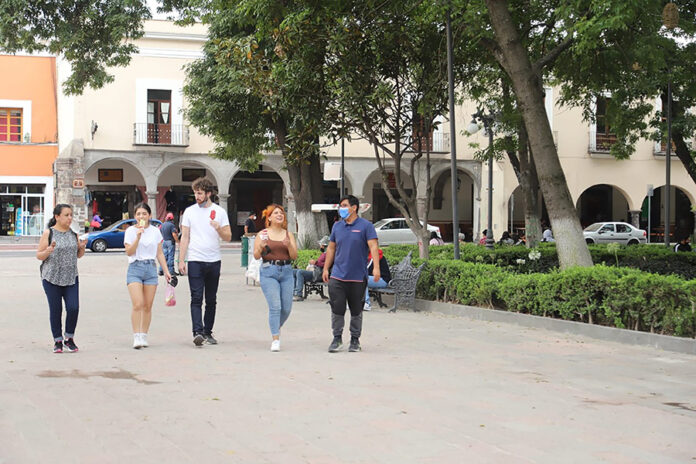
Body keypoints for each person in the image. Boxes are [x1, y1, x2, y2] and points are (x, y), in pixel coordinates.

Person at [322, 194, 380, 353]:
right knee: (337, 308)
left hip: (357, 277)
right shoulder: (337, 227)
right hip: (337, 276)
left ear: (354, 208)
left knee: (356, 310)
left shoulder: (366, 226)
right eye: (341, 206)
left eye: (345, 205)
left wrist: (376, 268)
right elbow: (331, 248)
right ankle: (337, 338)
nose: (342, 209)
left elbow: (374, 247)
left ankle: (355, 340)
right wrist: (326, 268)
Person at [178, 177, 232, 346]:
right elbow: (185, 237)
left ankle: (208, 332)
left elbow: (228, 237)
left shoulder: (220, 212)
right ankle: (197, 332)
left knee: (211, 298)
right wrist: (181, 260)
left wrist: (218, 228)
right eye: (195, 193)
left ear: (208, 193)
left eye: (200, 193)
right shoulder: (189, 212)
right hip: (195, 259)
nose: (197, 196)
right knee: (196, 297)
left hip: (214, 260)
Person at [36, 204, 87, 353]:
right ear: (57, 217)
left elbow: (78, 255)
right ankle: (57, 340)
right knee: (56, 309)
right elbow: (39, 255)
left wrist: (82, 247)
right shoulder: (48, 233)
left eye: (71, 215)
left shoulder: (73, 233)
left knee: (73, 308)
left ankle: (69, 338)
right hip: (51, 277)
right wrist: (48, 250)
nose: (70, 218)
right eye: (66, 215)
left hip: (71, 277)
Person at [124, 203, 171, 349]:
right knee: (138, 303)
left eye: (144, 213)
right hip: (135, 268)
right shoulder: (131, 231)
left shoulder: (156, 232)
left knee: (147, 305)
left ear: (150, 216)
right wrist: (138, 237)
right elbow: (129, 252)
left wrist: (167, 271)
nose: (141, 216)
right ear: (134, 216)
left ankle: (144, 335)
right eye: (138, 214)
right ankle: (136, 336)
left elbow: (159, 253)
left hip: (151, 268)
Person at [254, 204, 298, 352]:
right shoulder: (262, 234)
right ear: (270, 217)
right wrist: (261, 246)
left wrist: (289, 246)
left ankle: (275, 326)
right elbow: (256, 255)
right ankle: (275, 339)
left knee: (286, 308)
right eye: (276, 213)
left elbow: (294, 256)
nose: (280, 215)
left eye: (281, 213)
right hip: (269, 271)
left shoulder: (288, 234)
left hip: (286, 271)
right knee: (275, 306)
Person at [293, 236, 329, 301]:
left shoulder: (329, 254)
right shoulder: (324, 254)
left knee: (300, 272)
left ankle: (298, 294)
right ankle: (294, 293)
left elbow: (328, 264)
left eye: (321, 245)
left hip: (318, 274)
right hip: (316, 271)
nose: (320, 246)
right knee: (293, 271)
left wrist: (315, 263)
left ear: (324, 246)